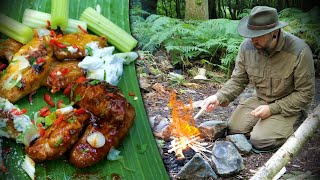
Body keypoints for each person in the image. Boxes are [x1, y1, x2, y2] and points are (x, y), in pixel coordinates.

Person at [201, 6, 315, 150]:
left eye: (258, 34)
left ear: (274, 32)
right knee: (234, 129)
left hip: (288, 105)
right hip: (260, 98)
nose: (252, 39)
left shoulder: (299, 51)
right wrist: (219, 96)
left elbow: (305, 94)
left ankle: (296, 122)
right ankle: (266, 126)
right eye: (250, 34)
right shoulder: (247, 47)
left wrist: (272, 109)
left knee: (261, 141)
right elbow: (238, 79)